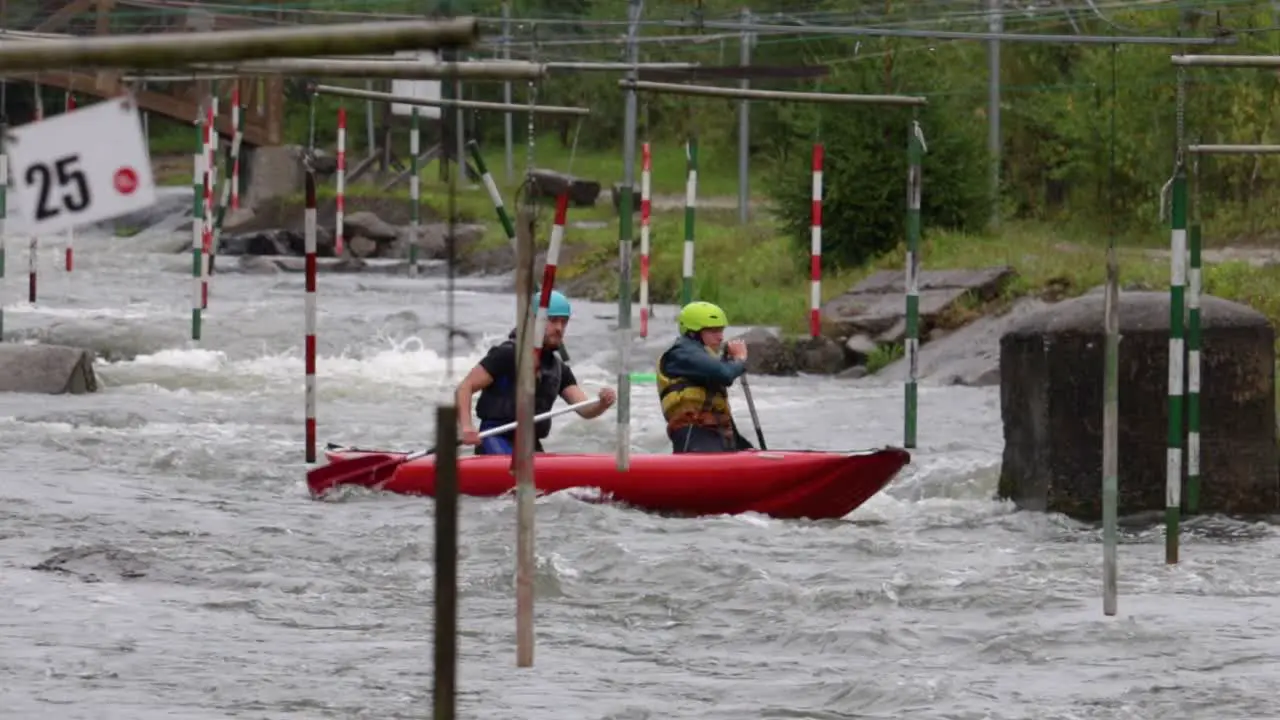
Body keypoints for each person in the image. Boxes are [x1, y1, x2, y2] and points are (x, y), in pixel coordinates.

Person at [455, 289, 617, 455]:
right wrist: (467, 427)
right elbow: (464, 387)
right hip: (495, 437)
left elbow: (585, 409)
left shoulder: (559, 369)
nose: (559, 328)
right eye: (553, 321)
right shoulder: (507, 355)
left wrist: (602, 404)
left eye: (564, 322)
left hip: (530, 443)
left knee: (549, 481)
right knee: (517, 478)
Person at [655, 300, 754, 454]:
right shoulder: (682, 354)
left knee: (746, 449)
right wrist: (740, 359)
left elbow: (718, 374)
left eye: (721, 330)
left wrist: (728, 360)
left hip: (717, 433)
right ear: (693, 332)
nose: (720, 337)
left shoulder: (703, 357)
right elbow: (726, 375)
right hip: (693, 434)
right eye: (713, 331)